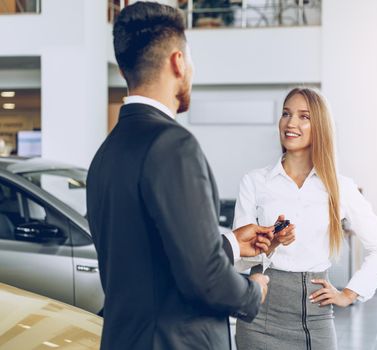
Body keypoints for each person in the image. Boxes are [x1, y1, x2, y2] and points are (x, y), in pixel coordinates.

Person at [86, 2, 293, 350]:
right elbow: (205, 279)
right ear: (178, 62)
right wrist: (251, 292)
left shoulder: (106, 153)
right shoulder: (173, 145)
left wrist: (229, 244)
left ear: (124, 70)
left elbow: (152, 262)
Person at [234, 87, 377, 350]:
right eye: (286, 114)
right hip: (259, 315)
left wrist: (349, 294)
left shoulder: (339, 187)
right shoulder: (254, 182)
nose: (291, 123)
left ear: (319, 125)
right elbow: (239, 261)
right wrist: (270, 246)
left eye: (303, 116)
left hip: (316, 317)